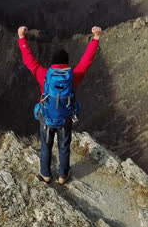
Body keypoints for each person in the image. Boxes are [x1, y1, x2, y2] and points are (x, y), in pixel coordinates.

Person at [17, 25, 102, 184]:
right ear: (67, 64)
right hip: (65, 118)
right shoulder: (73, 77)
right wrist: (96, 38)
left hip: (47, 118)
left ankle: (45, 174)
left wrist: (22, 38)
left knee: (46, 146)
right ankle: (63, 175)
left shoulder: (44, 75)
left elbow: (29, 60)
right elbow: (86, 61)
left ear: (53, 64)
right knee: (64, 147)